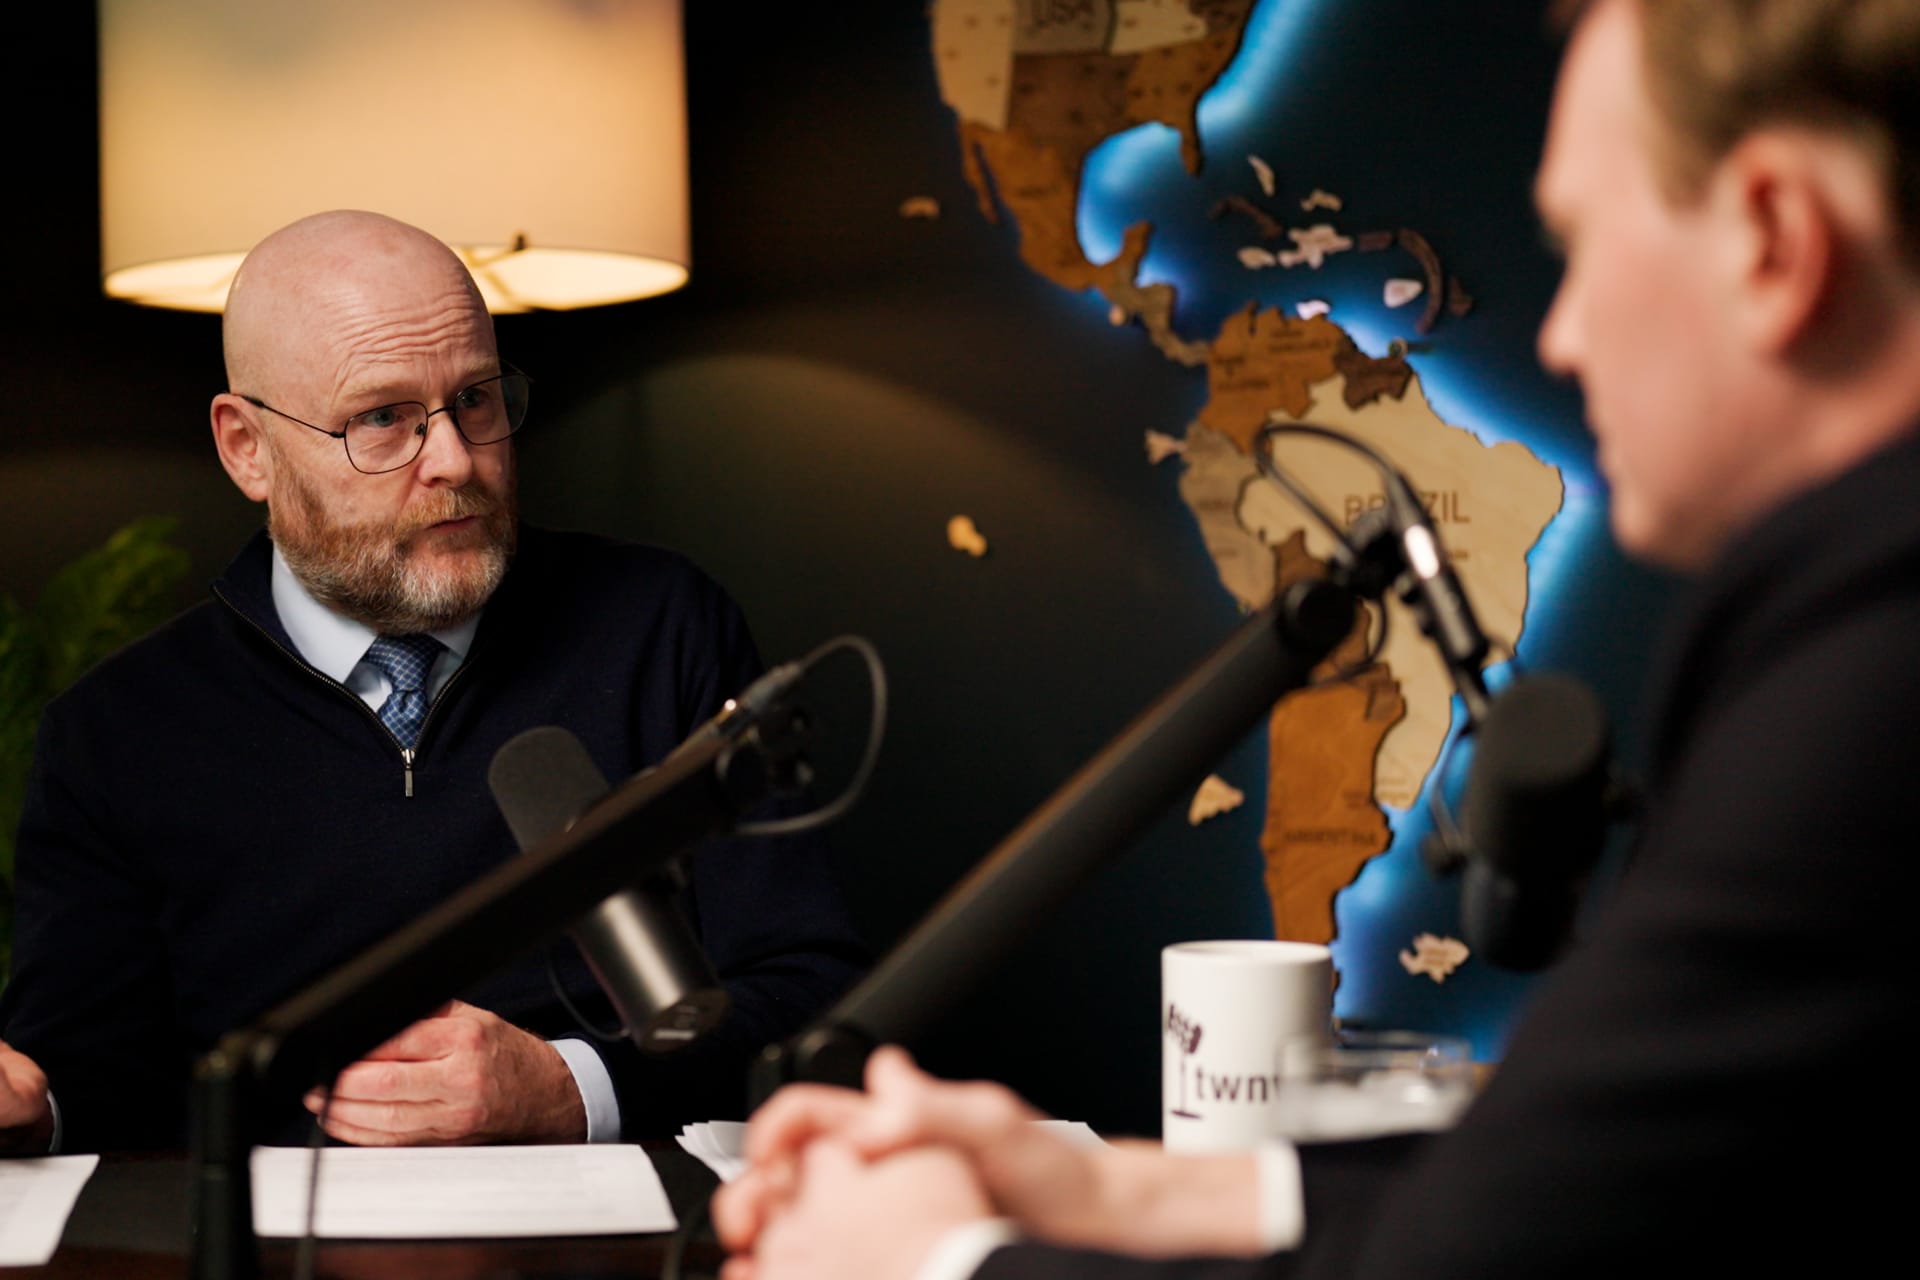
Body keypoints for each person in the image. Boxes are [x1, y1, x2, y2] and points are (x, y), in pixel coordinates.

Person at [709, 0, 1920, 1274]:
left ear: (1774, 241)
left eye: (1582, 241)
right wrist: (1116, 1188)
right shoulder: (1851, 640)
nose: (1562, 334)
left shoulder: (1867, 702)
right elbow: (1614, 1170)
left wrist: (929, 1260)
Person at [0, 210, 867, 1155]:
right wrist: (30, 1109)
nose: (454, 460)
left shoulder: (662, 628)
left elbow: (817, 1000)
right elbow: (81, 1077)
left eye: (477, 400)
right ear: (248, 448)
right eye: (383, 419)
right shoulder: (118, 730)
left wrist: (573, 1088)